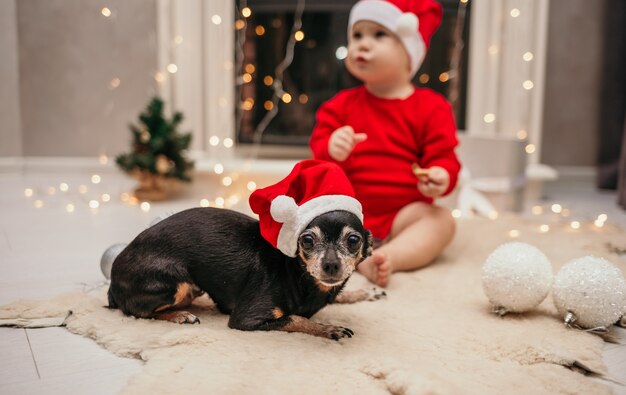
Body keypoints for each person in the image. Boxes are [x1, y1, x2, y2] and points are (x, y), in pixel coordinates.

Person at [309, 0, 461, 287]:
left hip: (403, 214)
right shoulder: (339, 106)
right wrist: (332, 147)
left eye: (379, 35)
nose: (362, 44)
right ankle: (353, 250)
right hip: (348, 209)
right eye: (357, 35)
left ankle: (387, 256)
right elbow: (318, 151)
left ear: (409, 52)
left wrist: (440, 175)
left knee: (442, 221)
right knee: (309, 211)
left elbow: (444, 157)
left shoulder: (432, 107)